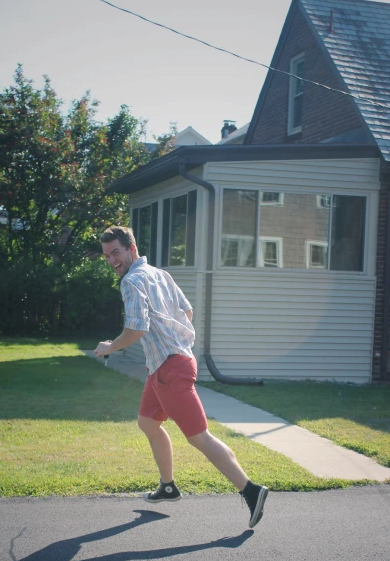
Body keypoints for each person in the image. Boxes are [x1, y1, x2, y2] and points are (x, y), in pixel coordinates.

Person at [94, 226, 268, 528]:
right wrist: (166, 338)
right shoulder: (161, 274)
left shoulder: (132, 281)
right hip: (168, 364)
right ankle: (168, 486)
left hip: (170, 369)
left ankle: (251, 491)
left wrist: (109, 346)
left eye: (116, 253)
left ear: (131, 248)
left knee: (199, 437)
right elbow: (186, 313)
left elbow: (135, 330)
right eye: (107, 255)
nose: (111, 260)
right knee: (147, 422)